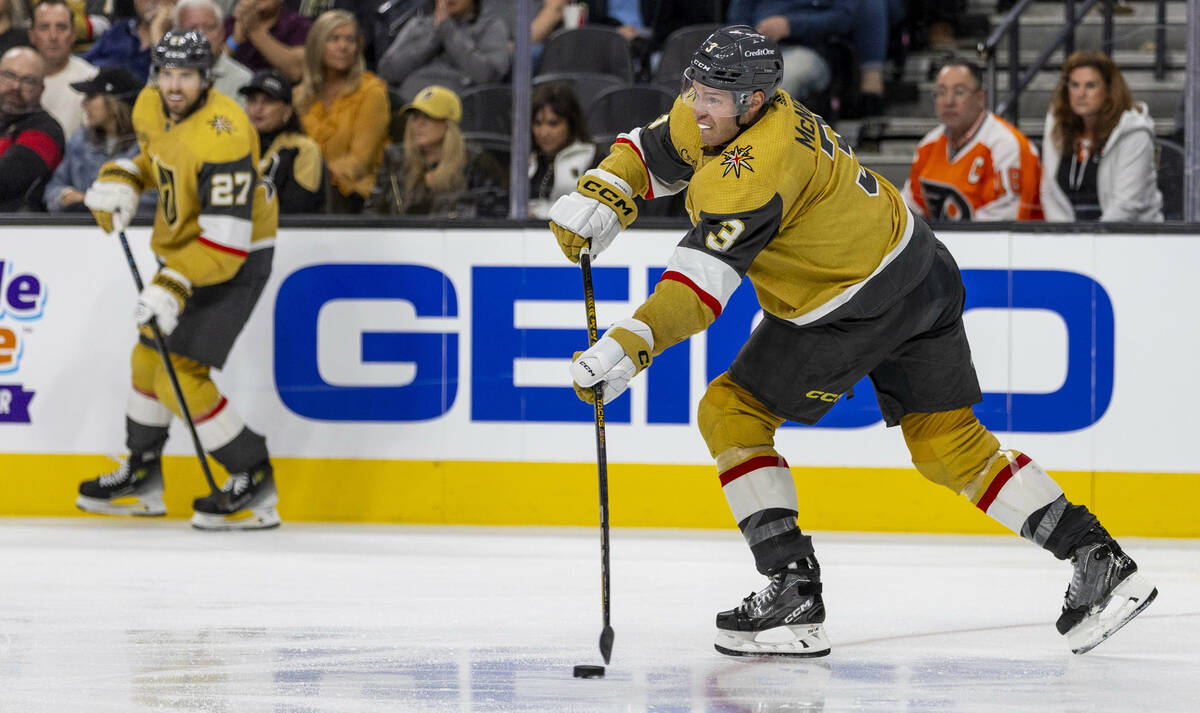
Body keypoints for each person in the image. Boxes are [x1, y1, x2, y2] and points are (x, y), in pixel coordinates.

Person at [549, 25, 1158, 658]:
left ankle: (793, 592)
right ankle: (1096, 556)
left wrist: (630, 343)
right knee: (950, 448)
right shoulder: (724, 110)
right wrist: (607, 191)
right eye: (694, 87)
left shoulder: (754, 174)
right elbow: (651, 149)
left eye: (715, 96)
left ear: (755, 102)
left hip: (849, 308)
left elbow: (698, 288)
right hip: (920, 268)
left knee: (731, 412)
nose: (699, 105)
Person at [76, 29, 281, 530]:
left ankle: (253, 479)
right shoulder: (149, 105)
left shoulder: (226, 133)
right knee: (148, 358)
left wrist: (171, 284)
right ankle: (143, 474)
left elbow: (226, 242)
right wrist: (125, 177)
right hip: (193, 252)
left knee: (178, 373)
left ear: (205, 77)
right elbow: (161, 160)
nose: (173, 85)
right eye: (166, 73)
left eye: (185, 75)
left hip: (236, 255)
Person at [902, 59, 1042, 221]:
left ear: (980, 98)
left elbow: (1008, 220)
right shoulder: (928, 146)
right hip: (941, 244)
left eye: (959, 92)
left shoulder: (1008, 146)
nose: (948, 101)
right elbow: (910, 208)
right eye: (941, 92)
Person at [1040, 50, 1163, 222]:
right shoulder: (1056, 123)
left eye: (1090, 85)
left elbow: (1126, 206)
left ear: (1109, 90)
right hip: (1071, 240)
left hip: (1130, 238)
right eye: (1074, 85)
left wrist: (1092, 243)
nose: (1081, 93)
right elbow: (1049, 192)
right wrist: (1065, 239)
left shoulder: (1135, 132)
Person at [294, 9, 388, 213]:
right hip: (304, 192)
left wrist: (312, 177)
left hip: (354, 197)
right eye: (334, 39)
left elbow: (359, 163)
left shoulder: (371, 93)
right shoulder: (299, 97)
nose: (343, 46)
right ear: (317, 45)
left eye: (350, 40)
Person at [365, 83, 507, 217]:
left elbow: (491, 211)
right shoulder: (395, 158)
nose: (419, 124)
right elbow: (373, 209)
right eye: (415, 117)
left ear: (448, 124)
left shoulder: (476, 161)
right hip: (402, 239)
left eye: (428, 117)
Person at [44, 65, 158, 214]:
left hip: (135, 231)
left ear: (114, 101)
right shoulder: (79, 140)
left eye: (91, 96)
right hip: (80, 231)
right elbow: (52, 189)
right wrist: (65, 196)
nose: (84, 104)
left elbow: (158, 198)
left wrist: (96, 201)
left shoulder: (152, 145)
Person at [377, 0, 510, 103]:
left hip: (463, 113)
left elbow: (488, 76)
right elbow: (387, 71)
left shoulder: (490, 26)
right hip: (410, 109)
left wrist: (448, 31)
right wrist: (434, 38)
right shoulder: (418, 25)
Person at [725, 0, 852, 103]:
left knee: (779, 78)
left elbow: (844, 19)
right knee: (718, 78)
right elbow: (737, 19)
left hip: (808, 51)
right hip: (755, 49)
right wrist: (748, 39)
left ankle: (765, 132)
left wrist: (790, 25)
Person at [239, 67, 324, 212]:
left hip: (287, 232)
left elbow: (299, 208)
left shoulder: (303, 149)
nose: (258, 108)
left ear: (288, 111)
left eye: (268, 101)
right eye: (253, 100)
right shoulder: (235, 145)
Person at [0, 46, 65, 211]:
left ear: (41, 89)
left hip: (18, 228)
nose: (15, 86)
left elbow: (5, 181)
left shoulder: (46, 130)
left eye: (28, 80)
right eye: (9, 75)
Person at [30, 0, 99, 138]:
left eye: (61, 27)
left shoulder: (91, 80)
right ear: (32, 35)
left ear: (73, 34)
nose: (53, 36)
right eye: (44, 27)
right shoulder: (13, 79)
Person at [528, 81, 597, 219]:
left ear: (571, 123)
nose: (543, 132)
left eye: (553, 123)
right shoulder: (524, 158)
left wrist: (537, 213)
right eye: (537, 123)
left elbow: (591, 213)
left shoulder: (592, 158)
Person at [175, 0, 253, 104]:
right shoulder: (163, 76)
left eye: (208, 28)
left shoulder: (244, 81)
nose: (201, 36)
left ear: (222, 33)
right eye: (192, 29)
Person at [83, 0, 176, 82]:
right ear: (135, 2)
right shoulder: (120, 28)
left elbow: (170, 77)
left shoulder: (179, 37)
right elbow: (83, 62)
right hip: (94, 84)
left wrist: (157, 29)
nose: (152, 1)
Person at [223, 0, 312, 81]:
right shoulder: (232, 22)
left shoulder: (300, 26)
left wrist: (255, 32)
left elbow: (296, 70)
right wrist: (234, 40)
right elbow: (212, 65)